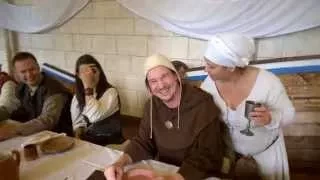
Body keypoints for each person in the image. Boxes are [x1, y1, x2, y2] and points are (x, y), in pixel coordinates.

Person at [104, 54, 223, 180]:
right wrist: (119, 163)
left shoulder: (202, 103)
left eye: (164, 76)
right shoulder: (151, 105)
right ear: (149, 87)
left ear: (176, 76)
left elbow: (209, 155)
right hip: (163, 169)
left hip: (194, 174)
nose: (161, 86)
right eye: (153, 81)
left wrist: (177, 177)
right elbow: (143, 142)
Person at [200, 33, 295, 180]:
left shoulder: (268, 83)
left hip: (265, 153)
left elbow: (289, 115)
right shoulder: (208, 84)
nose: (205, 69)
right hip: (230, 154)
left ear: (231, 67)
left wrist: (270, 118)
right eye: (205, 63)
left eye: (211, 66)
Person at [0, 52, 73, 141]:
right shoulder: (22, 87)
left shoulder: (54, 90)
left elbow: (48, 120)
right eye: (23, 71)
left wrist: (15, 130)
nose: (29, 74)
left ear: (38, 67)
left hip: (60, 138)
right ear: (16, 74)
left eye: (32, 69)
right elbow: (11, 108)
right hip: (37, 135)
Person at [71, 54, 123, 146]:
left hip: (110, 143)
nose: (90, 75)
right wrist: (78, 137)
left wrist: (88, 87)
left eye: (93, 71)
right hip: (88, 143)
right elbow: (78, 123)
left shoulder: (111, 92)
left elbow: (94, 116)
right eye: (84, 73)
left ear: (100, 71)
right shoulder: (78, 96)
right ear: (78, 75)